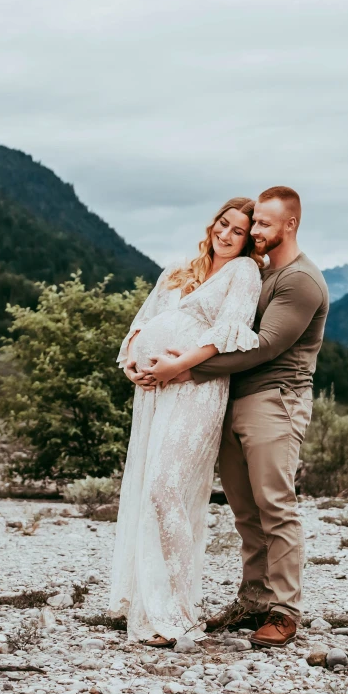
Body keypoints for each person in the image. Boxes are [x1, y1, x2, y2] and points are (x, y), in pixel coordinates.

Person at [139, 186, 328, 648]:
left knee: (275, 505)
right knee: (245, 511)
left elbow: (262, 347)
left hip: (275, 400)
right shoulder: (262, 273)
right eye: (255, 222)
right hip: (232, 398)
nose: (257, 230)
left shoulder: (300, 281)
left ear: (291, 224)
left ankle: (285, 611)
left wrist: (184, 370)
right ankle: (254, 600)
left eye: (265, 223)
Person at [112, 198, 263, 647]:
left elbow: (225, 337)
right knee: (148, 488)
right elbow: (140, 327)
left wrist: (176, 368)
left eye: (238, 230)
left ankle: (178, 609)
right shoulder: (178, 269)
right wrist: (134, 368)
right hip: (154, 390)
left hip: (196, 389)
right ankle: (147, 606)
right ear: (212, 223)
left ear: (248, 239)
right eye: (223, 223)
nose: (226, 234)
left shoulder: (244, 273)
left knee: (167, 487)